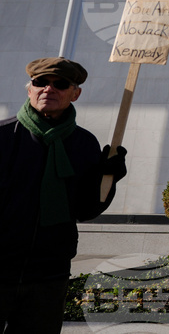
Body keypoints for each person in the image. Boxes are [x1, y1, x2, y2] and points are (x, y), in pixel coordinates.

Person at [0, 57, 128, 334]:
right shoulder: (3, 136)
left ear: (75, 93)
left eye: (60, 84)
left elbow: (87, 209)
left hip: (48, 276)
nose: (49, 89)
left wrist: (109, 178)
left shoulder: (84, 143)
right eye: (40, 82)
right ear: (29, 89)